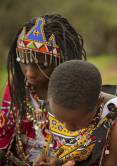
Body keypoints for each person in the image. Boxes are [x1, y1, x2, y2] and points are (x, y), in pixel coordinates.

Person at [0, 14, 86, 165]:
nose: (30, 73)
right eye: (24, 62)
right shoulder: (16, 87)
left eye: (43, 65)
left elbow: (87, 143)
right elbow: (4, 137)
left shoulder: (78, 91)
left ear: (63, 61)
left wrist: (59, 162)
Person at [33, 60, 117, 166]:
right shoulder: (64, 104)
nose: (67, 128)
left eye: (75, 123)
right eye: (60, 119)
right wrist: (56, 162)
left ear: (98, 103)